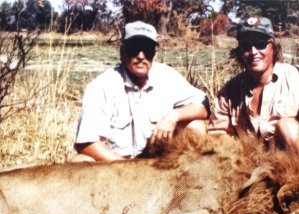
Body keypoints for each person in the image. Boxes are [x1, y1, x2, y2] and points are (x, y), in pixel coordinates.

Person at [74, 21, 210, 162]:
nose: (140, 56)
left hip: (157, 163)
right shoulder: (101, 86)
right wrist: (127, 168)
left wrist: (173, 116)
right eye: (134, 48)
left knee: (196, 126)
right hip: (115, 166)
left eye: (147, 49)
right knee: (80, 161)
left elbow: (203, 106)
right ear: (123, 52)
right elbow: (86, 144)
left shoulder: (167, 75)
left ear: (154, 54)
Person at [208, 16, 299, 153]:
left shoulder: (296, 77)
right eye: (246, 46)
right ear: (240, 52)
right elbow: (218, 134)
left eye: (260, 44)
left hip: (291, 161)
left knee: (288, 127)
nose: (253, 52)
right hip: (252, 164)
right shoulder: (229, 92)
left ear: (273, 47)